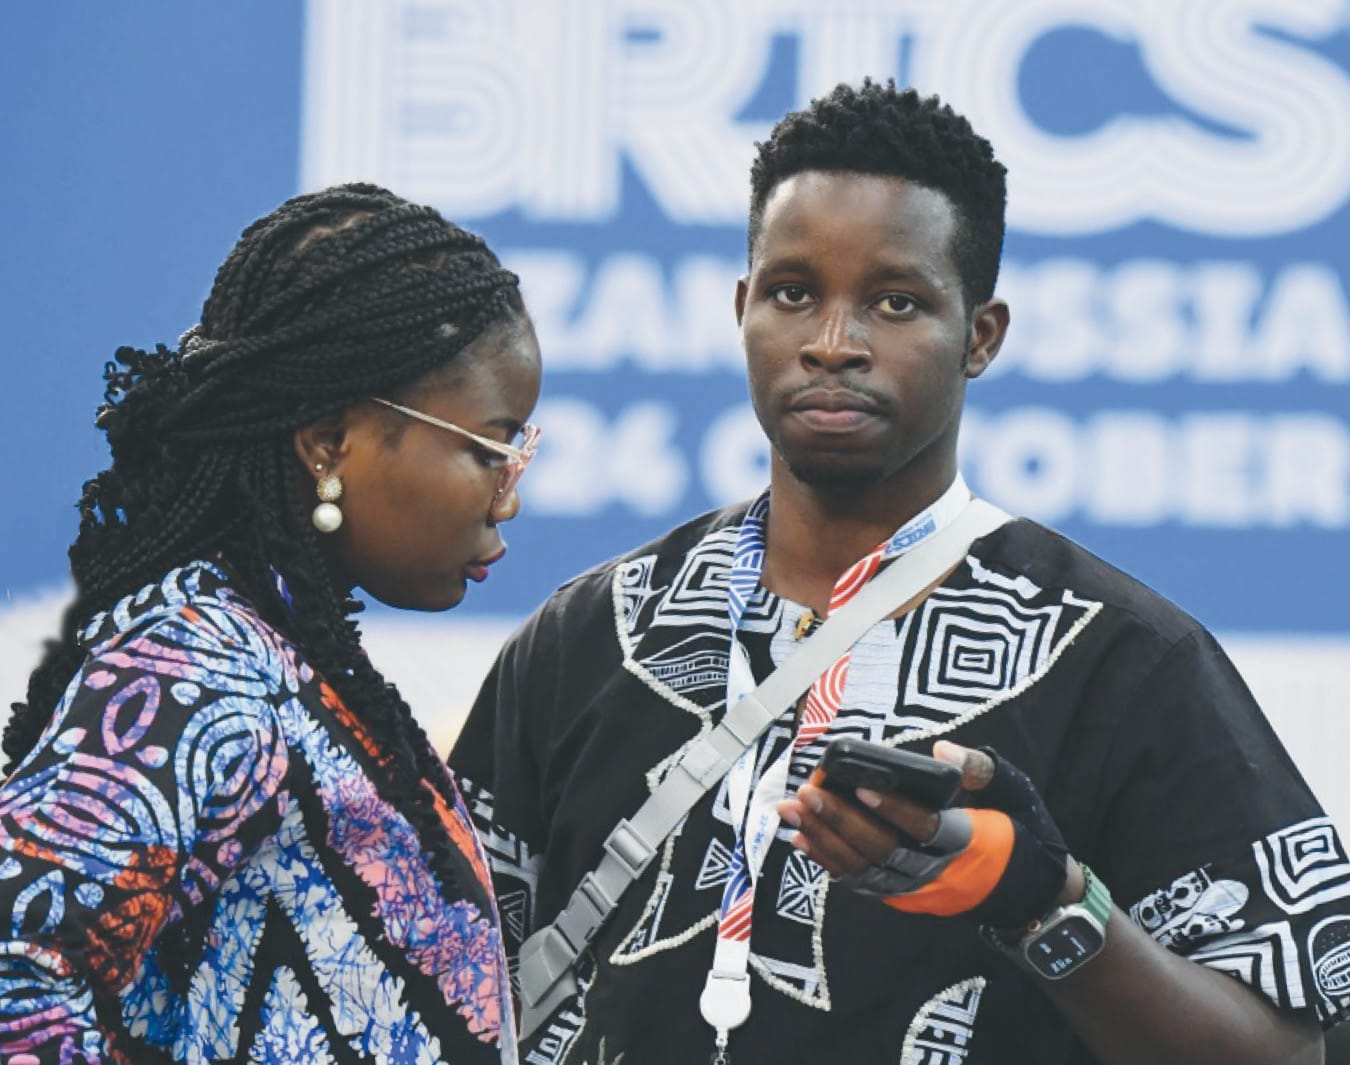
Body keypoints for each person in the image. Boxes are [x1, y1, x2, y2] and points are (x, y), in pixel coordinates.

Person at [450, 81, 1350, 1064]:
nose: (833, 344)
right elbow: (430, 981)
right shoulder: (591, 635)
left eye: (896, 302)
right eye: (793, 293)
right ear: (743, 309)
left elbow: (1289, 1051)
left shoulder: (1123, 662)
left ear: (981, 336)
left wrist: (1043, 900)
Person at [0, 184, 541, 1064]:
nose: (507, 495)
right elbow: (16, 972)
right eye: (491, 448)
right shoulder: (192, 667)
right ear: (327, 442)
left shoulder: (285, 656)